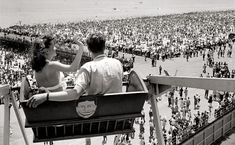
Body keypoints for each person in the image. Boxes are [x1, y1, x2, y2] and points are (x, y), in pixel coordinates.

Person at [27, 32, 123, 108]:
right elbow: (73, 69)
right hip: (115, 109)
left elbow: (76, 92)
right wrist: (80, 48)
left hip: (52, 107)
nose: (56, 48)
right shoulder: (118, 63)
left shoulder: (37, 68)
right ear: (104, 47)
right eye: (54, 46)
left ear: (89, 50)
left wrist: (46, 96)